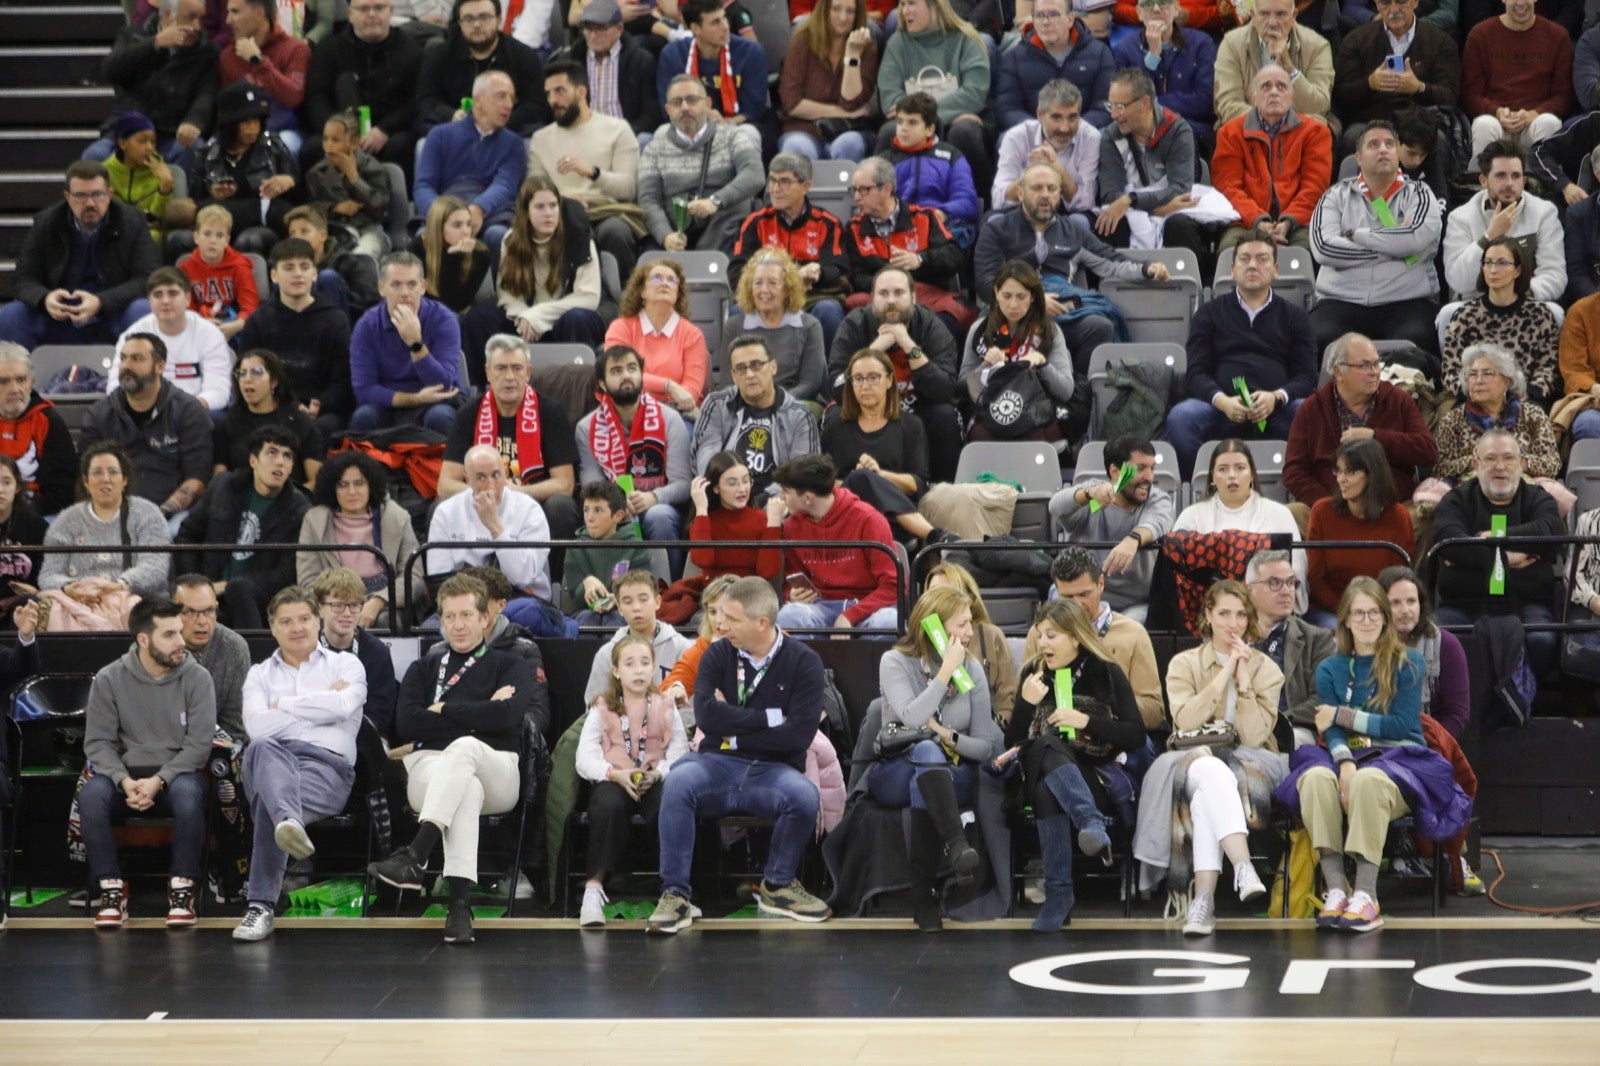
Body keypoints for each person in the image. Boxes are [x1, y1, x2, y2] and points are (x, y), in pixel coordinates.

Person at [646, 576, 832, 932]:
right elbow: (707, 716)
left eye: (731, 619)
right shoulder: (717, 653)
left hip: (774, 769)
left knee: (804, 796)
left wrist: (735, 731)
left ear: (761, 623)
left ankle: (778, 886)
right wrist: (769, 719)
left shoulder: (805, 662)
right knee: (679, 780)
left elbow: (799, 735)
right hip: (716, 763)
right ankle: (675, 895)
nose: (721, 624)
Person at [1280, 578, 1466, 933]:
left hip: (1400, 761)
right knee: (1316, 779)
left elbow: (1400, 725)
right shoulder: (1330, 669)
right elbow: (1328, 728)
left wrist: (1342, 715)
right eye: (1358, 613)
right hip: (1349, 759)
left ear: (1385, 617)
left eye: (1374, 612)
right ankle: (1336, 889)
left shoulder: (1408, 662)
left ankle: (1366, 895)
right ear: (1346, 620)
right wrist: (1344, 760)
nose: (1366, 620)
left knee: (1367, 780)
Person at [370, 572, 535, 945]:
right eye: (449, 617)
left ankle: (416, 852)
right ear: (440, 620)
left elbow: (508, 718)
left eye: (466, 615)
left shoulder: (511, 665)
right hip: (432, 767)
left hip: (498, 767)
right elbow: (408, 722)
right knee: (465, 786)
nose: (458, 625)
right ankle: (459, 908)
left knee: (465, 750)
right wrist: (480, 713)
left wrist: (443, 709)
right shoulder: (423, 668)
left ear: (484, 618)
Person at [1144, 579, 1284, 936]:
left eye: (1240, 615)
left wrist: (1245, 681)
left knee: (1208, 782)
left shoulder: (1267, 670)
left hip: (1250, 761)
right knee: (1206, 765)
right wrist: (1224, 674)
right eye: (1224, 613)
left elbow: (1254, 737)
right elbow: (1185, 722)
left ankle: (1203, 902)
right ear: (1208, 615)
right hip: (1188, 757)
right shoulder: (1183, 664)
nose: (1232, 623)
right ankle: (1242, 866)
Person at [232, 586, 366, 941]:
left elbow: (342, 707)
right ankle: (288, 821)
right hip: (268, 757)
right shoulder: (259, 674)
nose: (297, 628)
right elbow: (257, 726)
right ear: (272, 628)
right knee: (263, 746)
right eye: (286, 621)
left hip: (326, 769)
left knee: (269, 804)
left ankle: (259, 907)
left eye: (304, 619)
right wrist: (319, 705)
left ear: (318, 620)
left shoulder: (346, 664)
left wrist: (282, 705)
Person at [78, 598, 216, 929]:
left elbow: (198, 747)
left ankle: (182, 887)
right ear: (143, 639)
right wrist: (124, 780)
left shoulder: (198, 678)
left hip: (177, 773)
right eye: (169, 634)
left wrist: (159, 780)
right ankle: (111, 888)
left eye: (180, 633)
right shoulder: (109, 678)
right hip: (124, 775)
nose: (182, 642)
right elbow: (98, 743)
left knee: (187, 794)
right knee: (91, 795)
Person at [1008, 597, 1144, 930]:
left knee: (1046, 790)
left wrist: (1087, 721)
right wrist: (1026, 705)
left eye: (1051, 635)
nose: (1042, 643)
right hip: (1042, 770)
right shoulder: (1032, 675)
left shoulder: (1105, 671)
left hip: (1095, 779)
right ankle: (1090, 823)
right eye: (1040, 635)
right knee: (1047, 745)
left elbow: (1136, 734)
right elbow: (1012, 744)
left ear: (1075, 637)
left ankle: (1059, 894)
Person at [871, 585, 1001, 931]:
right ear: (934, 626)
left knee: (928, 765)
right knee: (925, 753)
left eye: (971, 624)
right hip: (894, 769)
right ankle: (956, 845)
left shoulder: (972, 670)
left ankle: (923, 894)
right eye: (961, 624)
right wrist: (944, 674)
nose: (970, 633)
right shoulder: (895, 661)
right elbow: (912, 719)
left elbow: (985, 746)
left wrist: (948, 736)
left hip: (951, 773)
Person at [973, 162, 1172, 382]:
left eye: (1052, 189)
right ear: (1020, 193)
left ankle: (1076, 391)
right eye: (1037, 188)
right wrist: (1033, 302)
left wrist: (1147, 268)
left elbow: (1110, 260)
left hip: (1063, 314)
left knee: (1101, 326)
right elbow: (985, 282)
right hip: (1012, 316)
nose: (1045, 195)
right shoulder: (997, 229)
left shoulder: (1073, 231)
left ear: (1060, 194)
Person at [1168, 230, 1318, 480]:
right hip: (1220, 408)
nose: (1252, 265)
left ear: (1276, 269)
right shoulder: (1208, 313)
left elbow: (1307, 376)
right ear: (1232, 269)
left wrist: (1276, 397)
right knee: (1181, 418)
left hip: (1277, 410)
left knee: (1309, 412)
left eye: (1262, 259)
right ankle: (1202, 488)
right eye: (1245, 259)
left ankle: (1298, 487)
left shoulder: (1295, 317)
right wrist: (1222, 401)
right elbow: (1196, 373)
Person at [576, 633, 691, 927]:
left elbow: (679, 750)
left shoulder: (665, 704)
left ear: (654, 668)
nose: (638, 670)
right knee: (607, 807)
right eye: (630, 664)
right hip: (615, 777)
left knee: (671, 805)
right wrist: (613, 773)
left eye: (644, 663)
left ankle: (675, 891)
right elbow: (584, 757)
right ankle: (593, 890)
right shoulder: (602, 706)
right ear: (616, 671)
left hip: (654, 777)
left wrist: (658, 773)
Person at [1432, 429, 1564, 680]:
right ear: (1475, 464)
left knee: (1543, 639)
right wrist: (1508, 558)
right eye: (1490, 459)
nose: (1500, 466)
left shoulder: (1539, 498)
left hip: (1526, 603)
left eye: (1508, 458)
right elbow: (1448, 541)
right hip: (1464, 602)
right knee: (1439, 638)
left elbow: (1551, 530)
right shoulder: (1456, 499)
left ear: (1522, 463)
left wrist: (1483, 543)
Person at [1309, 121, 1443, 359]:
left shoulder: (1421, 194)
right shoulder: (1334, 196)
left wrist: (1356, 235)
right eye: (1374, 144)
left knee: (1418, 340)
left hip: (1406, 301)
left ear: (1397, 154)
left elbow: (1415, 238)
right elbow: (1324, 248)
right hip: (1341, 300)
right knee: (1316, 338)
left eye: (1389, 144)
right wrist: (1397, 251)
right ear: (1358, 158)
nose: (1383, 149)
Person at [440, 334, 581, 545]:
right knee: (437, 508)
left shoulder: (551, 412)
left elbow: (565, 484)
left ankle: (556, 578)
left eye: (517, 368)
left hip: (533, 505)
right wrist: (488, 491)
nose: (509, 377)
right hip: (480, 503)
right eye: (501, 368)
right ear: (488, 372)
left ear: (528, 373)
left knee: (561, 507)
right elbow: (445, 485)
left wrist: (518, 492)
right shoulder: (468, 414)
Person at [0, 161, 158, 349]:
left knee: (142, 310)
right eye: (81, 196)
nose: (90, 203)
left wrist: (101, 302)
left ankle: (139, 378)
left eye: (97, 194)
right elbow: (24, 278)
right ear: (68, 196)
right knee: (12, 315)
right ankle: (15, 377)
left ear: (109, 194)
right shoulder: (46, 222)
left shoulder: (132, 221)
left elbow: (147, 279)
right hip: (58, 316)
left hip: (111, 314)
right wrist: (44, 299)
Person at [829, 266, 964, 482]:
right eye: (883, 293)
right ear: (872, 298)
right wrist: (874, 351)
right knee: (834, 415)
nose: (891, 300)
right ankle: (841, 494)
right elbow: (837, 388)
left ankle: (940, 490)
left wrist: (908, 344)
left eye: (899, 293)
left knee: (945, 415)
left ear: (913, 297)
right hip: (866, 409)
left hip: (918, 408)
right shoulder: (855, 325)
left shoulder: (931, 327)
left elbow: (945, 389)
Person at [464, 177, 607, 380]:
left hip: (564, 320)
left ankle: (578, 387)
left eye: (553, 205)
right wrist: (526, 317)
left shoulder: (579, 239)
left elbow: (588, 298)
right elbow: (507, 295)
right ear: (526, 211)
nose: (548, 213)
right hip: (526, 322)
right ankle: (483, 390)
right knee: (478, 319)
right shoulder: (511, 240)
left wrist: (539, 316)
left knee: (578, 317)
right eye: (540, 207)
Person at [174, 425, 311, 628]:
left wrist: (227, 586)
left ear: (292, 467)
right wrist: (198, 584)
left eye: (287, 456)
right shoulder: (223, 487)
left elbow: (286, 573)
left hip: (262, 603)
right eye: (272, 453)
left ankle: (252, 655)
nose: (280, 462)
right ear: (253, 460)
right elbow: (187, 535)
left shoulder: (299, 510)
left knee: (239, 588)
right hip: (210, 594)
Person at [1283, 332, 1436, 508]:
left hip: (1391, 510)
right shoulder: (1311, 409)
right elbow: (1294, 472)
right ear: (1338, 372)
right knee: (1293, 512)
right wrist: (1329, 505)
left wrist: (1375, 437)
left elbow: (1428, 451)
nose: (1374, 372)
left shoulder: (1398, 400)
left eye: (1376, 364)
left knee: (1424, 519)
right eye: (1364, 366)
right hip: (1330, 509)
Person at [526, 57, 644, 281]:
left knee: (615, 232)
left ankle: (625, 303)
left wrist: (593, 172)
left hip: (606, 211)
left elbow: (628, 189)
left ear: (581, 92)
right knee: (569, 221)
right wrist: (563, 201)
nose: (553, 100)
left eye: (560, 91)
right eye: (549, 93)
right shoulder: (541, 139)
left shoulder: (617, 129)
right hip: (559, 213)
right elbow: (533, 190)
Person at [80, 333, 214, 525]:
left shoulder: (187, 410)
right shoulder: (99, 415)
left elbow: (198, 478)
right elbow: (87, 476)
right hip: (112, 512)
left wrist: (161, 513)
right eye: (123, 358)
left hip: (172, 513)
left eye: (137, 359)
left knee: (175, 532)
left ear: (159, 366)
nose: (127, 365)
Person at [37, 442, 172, 631]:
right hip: (77, 604)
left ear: (124, 479)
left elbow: (155, 567)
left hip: (132, 604)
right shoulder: (66, 520)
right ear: (85, 481)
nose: (105, 479)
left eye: (113, 472)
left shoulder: (147, 513)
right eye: (97, 473)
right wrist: (69, 587)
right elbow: (49, 574)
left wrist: (120, 585)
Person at [574, 344, 693, 552]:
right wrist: (617, 502)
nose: (626, 375)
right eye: (616, 371)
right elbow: (590, 487)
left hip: (658, 505)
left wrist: (653, 497)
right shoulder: (587, 428)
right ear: (602, 383)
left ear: (641, 375)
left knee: (660, 516)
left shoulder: (670, 419)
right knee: (603, 518)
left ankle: (669, 584)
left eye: (631, 368)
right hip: (611, 508)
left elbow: (683, 483)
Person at [823, 348, 947, 544]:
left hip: (894, 522)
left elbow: (918, 484)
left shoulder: (910, 425)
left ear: (890, 380)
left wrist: (880, 476)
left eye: (873, 377)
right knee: (861, 477)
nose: (865, 386)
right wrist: (860, 480)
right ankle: (935, 536)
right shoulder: (835, 427)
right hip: (846, 516)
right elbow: (825, 482)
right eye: (858, 378)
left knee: (866, 477)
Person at [427, 443, 558, 628]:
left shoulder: (529, 510)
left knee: (522, 618)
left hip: (519, 600)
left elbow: (522, 576)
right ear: (467, 479)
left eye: (496, 475)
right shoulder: (446, 513)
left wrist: (495, 527)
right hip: (462, 605)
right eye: (480, 477)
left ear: (505, 473)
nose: (490, 485)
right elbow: (439, 581)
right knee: (430, 628)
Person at [235, 237, 354, 437]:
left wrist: (320, 405)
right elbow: (246, 374)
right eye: (289, 267)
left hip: (321, 413)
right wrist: (281, 405)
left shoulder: (335, 320)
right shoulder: (258, 321)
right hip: (270, 407)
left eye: (304, 267)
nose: (298, 274)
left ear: (315, 273)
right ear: (274, 275)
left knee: (320, 430)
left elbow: (343, 379)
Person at [841, 159, 969, 341]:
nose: (857, 197)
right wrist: (889, 286)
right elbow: (856, 276)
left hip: (926, 297)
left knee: (946, 321)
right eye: (854, 190)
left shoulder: (924, 217)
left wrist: (920, 260)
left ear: (886, 189)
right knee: (853, 313)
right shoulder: (852, 229)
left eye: (864, 190)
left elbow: (954, 256)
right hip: (878, 301)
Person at [1093, 69, 1208, 271]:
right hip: (1145, 210)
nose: (1113, 115)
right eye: (1110, 106)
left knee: (1180, 225)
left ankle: (1187, 290)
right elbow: (1111, 194)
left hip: (1170, 210)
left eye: (1120, 106)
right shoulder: (1112, 135)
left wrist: (1132, 200)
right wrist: (1155, 208)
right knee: (1109, 223)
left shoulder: (1178, 130)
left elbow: (1180, 189)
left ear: (1144, 103)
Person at [1050, 434, 1172, 624]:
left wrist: (1132, 540)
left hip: (1135, 603)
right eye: (1140, 468)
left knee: (1121, 630)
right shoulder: (1094, 500)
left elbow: (1156, 522)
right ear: (1115, 472)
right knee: (1057, 596)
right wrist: (1087, 494)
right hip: (1083, 594)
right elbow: (1056, 507)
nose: (1149, 477)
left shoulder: (1156, 499)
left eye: (1152, 468)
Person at [1211, 63, 1333, 254]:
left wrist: (1288, 221)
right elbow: (1228, 187)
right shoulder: (1230, 133)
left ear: (1292, 96)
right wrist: (1259, 221)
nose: (1274, 92)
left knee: (1309, 251)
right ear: (1254, 97)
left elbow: (1315, 187)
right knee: (1230, 251)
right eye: (1266, 86)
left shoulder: (1316, 133)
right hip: (1245, 221)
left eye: (1282, 86)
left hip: (1298, 221)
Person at [875, 0, 993, 195]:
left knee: (964, 132)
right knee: (890, 132)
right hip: (938, 118)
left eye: (911, 4)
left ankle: (980, 205)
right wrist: (925, 121)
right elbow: (890, 99)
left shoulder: (966, 40)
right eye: (902, 4)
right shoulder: (897, 43)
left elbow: (974, 93)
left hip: (962, 122)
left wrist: (922, 118)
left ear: (935, 6)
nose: (905, 11)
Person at [772, 453, 899, 633]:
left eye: (786, 490)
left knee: (889, 622)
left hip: (867, 606)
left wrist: (850, 615)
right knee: (788, 616)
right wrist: (791, 594)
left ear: (807, 498)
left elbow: (894, 586)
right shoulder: (792, 525)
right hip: (821, 605)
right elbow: (791, 578)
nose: (781, 496)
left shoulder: (869, 520)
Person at [636, 74, 764, 253]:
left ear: (708, 104)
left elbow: (755, 174)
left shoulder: (732, 136)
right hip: (676, 233)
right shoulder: (653, 149)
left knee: (739, 204)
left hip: (723, 227)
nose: (685, 107)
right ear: (667, 110)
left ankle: (710, 263)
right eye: (677, 102)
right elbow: (648, 200)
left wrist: (716, 201)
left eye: (692, 100)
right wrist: (665, 236)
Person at [729, 161, 850, 348]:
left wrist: (819, 272)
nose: (775, 189)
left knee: (829, 310)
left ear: (805, 186)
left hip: (811, 297)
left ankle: (830, 374)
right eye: (772, 181)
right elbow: (736, 272)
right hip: (764, 296)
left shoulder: (827, 223)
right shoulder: (754, 222)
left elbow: (838, 267)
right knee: (738, 311)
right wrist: (790, 277)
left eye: (784, 182)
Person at [1174, 439, 1307, 603]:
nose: (1231, 475)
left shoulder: (1280, 514)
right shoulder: (1190, 517)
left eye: (1240, 468)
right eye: (1223, 469)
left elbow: (1297, 572)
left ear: (1251, 474)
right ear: (1213, 477)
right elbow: (1177, 577)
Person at [414, 71, 528, 259]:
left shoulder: (513, 143)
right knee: (422, 239)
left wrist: (478, 208)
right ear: (478, 100)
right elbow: (423, 185)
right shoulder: (440, 135)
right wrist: (441, 214)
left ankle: (500, 289)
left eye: (512, 98)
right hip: (444, 209)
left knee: (499, 236)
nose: (508, 104)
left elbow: (505, 185)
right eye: (501, 96)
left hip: (492, 214)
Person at [690, 335, 822, 498]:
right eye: (741, 368)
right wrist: (728, 495)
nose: (750, 374)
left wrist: (761, 503)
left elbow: (801, 475)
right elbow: (706, 459)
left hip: (775, 504)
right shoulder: (716, 405)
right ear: (733, 376)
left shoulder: (800, 416)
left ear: (773, 367)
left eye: (756, 365)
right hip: (725, 501)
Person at [958, 260, 1074, 444]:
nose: (1013, 305)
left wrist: (1043, 364)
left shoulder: (1049, 331)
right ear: (996, 293)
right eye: (1007, 295)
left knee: (1041, 434)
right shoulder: (979, 330)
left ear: (1033, 296)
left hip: (1035, 409)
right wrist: (985, 365)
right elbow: (962, 387)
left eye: (1021, 297)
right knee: (980, 435)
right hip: (992, 410)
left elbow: (1066, 391)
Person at [90, 0, 217, 168]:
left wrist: (193, 121)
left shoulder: (206, 50)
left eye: (200, 19)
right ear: (167, 15)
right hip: (128, 130)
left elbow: (206, 94)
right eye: (191, 17)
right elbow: (111, 70)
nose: (197, 26)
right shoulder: (133, 35)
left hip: (171, 132)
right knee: (95, 155)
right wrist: (154, 43)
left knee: (193, 149)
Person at [298, 451, 420, 627]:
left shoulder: (397, 517)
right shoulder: (314, 520)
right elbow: (308, 581)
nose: (352, 491)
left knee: (387, 621)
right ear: (332, 488)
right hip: (332, 602)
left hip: (384, 600)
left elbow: (414, 578)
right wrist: (341, 607)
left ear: (370, 485)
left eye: (359, 483)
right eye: (343, 485)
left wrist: (379, 601)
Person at [1049, 546, 1164, 731]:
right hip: (1060, 737)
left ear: (1101, 584)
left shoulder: (1132, 633)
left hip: (1119, 736)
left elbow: (1155, 712)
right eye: (1067, 597)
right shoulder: (1042, 635)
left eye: (1084, 594)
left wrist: (1098, 712)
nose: (1077, 604)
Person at [348, 251, 464, 435]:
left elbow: (443, 383)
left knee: (441, 417)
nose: (405, 293)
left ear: (423, 287)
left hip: (436, 404)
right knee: (364, 417)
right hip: (389, 405)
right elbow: (364, 390)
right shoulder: (367, 325)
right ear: (381, 288)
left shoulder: (443, 319)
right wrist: (416, 399)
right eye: (396, 285)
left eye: (412, 284)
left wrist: (416, 344)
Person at [659, 453, 782, 625]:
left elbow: (767, 571)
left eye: (746, 481)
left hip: (750, 596)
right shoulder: (706, 520)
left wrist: (774, 525)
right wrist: (701, 509)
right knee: (698, 623)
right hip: (715, 595)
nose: (742, 489)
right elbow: (703, 560)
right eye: (732, 483)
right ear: (716, 488)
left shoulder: (763, 519)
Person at [301, 0, 424, 170]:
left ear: (391, 11)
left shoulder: (412, 51)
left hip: (389, 132)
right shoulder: (328, 50)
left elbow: (416, 100)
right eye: (364, 9)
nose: (372, 14)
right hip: (340, 129)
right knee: (312, 148)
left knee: (402, 146)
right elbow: (316, 98)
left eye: (379, 8)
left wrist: (385, 130)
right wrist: (338, 133)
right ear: (350, 14)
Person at [1306, 439, 1415, 627]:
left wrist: (1374, 613)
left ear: (1372, 474)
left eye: (1350, 472)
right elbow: (1316, 580)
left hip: (1383, 610)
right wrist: (1352, 612)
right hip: (1333, 609)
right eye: (1338, 471)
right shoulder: (1322, 512)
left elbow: (1401, 578)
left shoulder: (1398, 516)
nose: (1341, 479)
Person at [1441, 239, 1562, 407]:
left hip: (1525, 401)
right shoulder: (1465, 316)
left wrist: (1520, 396)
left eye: (1502, 263)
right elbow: (1451, 371)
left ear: (1518, 270)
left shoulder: (1539, 315)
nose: (1493, 270)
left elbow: (1548, 370)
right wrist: (1479, 394)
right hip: (1475, 400)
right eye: (1488, 263)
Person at [1441, 142, 1564, 306]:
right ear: (1483, 181)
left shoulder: (1544, 213)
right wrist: (1489, 235)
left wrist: (1512, 295)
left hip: (1526, 302)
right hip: (1476, 305)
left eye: (1516, 176)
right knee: (1446, 315)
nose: (1509, 184)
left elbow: (1555, 275)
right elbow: (1457, 280)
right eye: (1500, 176)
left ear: (1524, 180)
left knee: (1555, 312)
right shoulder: (1460, 218)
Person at [415, 0, 549, 140]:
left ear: (498, 20)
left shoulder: (523, 55)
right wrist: (452, 115)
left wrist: (496, 120)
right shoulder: (439, 54)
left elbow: (536, 106)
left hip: (508, 133)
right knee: (424, 144)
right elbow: (426, 100)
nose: (477, 24)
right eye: (468, 19)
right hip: (454, 132)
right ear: (460, 23)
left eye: (484, 17)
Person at [187, 83, 299, 249]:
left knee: (251, 239)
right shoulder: (207, 154)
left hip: (264, 226)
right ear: (230, 125)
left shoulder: (273, 146)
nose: (253, 128)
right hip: (217, 227)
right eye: (245, 122)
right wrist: (214, 194)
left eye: (256, 120)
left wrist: (288, 181)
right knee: (180, 237)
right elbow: (197, 203)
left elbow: (296, 201)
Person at [1461, 0, 1573, 163]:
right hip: (1497, 120)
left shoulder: (1557, 36)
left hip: (1535, 121)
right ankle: (1478, 184)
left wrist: (1534, 114)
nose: (1520, 2)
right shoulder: (1480, 34)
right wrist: (1497, 111)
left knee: (1550, 122)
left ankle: (1546, 185)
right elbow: (1470, 95)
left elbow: (1563, 97)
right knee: (1483, 124)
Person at [1332, 0, 1461, 141]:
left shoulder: (1441, 42)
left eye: (1401, 1)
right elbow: (1341, 97)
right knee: (1353, 137)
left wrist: (1419, 88)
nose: (1393, 9)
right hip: (1369, 123)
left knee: (1438, 140)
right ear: (1377, 5)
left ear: (1415, 2)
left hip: (1423, 123)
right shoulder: (1356, 40)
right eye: (1385, 3)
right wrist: (1369, 84)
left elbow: (1450, 97)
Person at [1432, 344, 1560, 484]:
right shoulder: (1453, 419)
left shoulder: (1533, 415)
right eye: (1473, 374)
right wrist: (1472, 463)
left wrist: (1520, 463)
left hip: (1525, 491)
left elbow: (1553, 463)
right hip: (1470, 492)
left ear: (1507, 381)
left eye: (1487, 374)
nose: (1479, 380)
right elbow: (1439, 468)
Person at [658, 0, 774, 155]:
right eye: (715, 22)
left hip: (737, 124)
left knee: (748, 134)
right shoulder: (673, 55)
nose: (725, 26)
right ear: (695, 28)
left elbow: (753, 109)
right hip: (689, 125)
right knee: (661, 133)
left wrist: (725, 123)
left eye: (724, 18)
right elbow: (669, 107)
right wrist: (702, 120)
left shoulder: (750, 52)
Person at [719, 248, 829, 405]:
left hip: (794, 403)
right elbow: (727, 384)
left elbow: (810, 385)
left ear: (787, 289)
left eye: (772, 283)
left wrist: (773, 404)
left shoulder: (809, 325)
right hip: (746, 404)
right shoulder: (734, 325)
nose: (764, 290)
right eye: (758, 283)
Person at [1248, 548, 1334, 746]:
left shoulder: (1318, 639)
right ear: (1249, 589)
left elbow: (1322, 698)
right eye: (1275, 583)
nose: (1286, 591)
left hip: (1294, 730)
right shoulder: (1231, 637)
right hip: (1239, 729)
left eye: (1290, 583)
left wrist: (1276, 724)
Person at [602, 259, 708, 418]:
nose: (665, 283)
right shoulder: (620, 328)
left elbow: (689, 393)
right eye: (657, 278)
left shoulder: (693, 335)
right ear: (642, 291)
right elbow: (620, 374)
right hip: (628, 410)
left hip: (677, 413)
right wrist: (668, 386)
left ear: (677, 293)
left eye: (672, 280)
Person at [777, 0, 879, 162]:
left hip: (848, 129)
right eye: (836, 9)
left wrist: (853, 55)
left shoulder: (867, 50)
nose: (843, 17)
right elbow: (792, 104)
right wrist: (845, 113)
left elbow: (850, 102)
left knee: (848, 145)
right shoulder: (802, 42)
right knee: (796, 147)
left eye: (850, 11)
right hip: (804, 129)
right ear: (824, 10)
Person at [546, 0, 661, 141]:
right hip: (579, 135)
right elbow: (554, 110)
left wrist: (621, 134)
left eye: (600, 29)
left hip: (625, 136)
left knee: (645, 139)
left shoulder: (640, 60)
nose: (593, 36)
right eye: (588, 29)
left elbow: (650, 116)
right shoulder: (569, 62)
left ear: (619, 29)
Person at [1112, 0, 1216, 154]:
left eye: (1163, 2)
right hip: (1140, 128)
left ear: (1176, 10)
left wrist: (1155, 105)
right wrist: (1152, 56)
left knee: (1175, 135)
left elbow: (1205, 100)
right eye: (1148, 3)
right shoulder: (1124, 50)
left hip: (1191, 126)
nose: (1156, 9)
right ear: (1139, 13)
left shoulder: (1201, 44)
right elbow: (1126, 103)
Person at [1380, 565, 1470, 741]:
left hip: (1429, 746)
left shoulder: (1447, 645)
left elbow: (1457, 714)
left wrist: (1423, 745)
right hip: (1375, 743)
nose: (1405, 610)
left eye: (1411, 601)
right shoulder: (1366, 644)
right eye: (1395, 603)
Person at [997, 0, 1113, 136]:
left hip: (1083, 133)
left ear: (1070, 19)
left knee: (1104, 137)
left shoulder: (1099, 53)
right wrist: (1041, 130)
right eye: (1040, 16)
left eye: (1053, 14)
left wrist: (1072, 128)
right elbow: (1007, 109)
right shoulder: (1015, 57)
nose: (1046, 22)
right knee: (1005, 140)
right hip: (1034, 134)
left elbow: (1105, 105)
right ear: (1033, 20)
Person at [1213, 0, 1333, 131]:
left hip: (1301, 135)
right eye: (1264, 14)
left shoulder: (1317, 46)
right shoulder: (1232, 44)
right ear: (1253, 16)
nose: (1272, 23)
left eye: (1281, 14)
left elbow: (1319, 107)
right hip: (1248, 132)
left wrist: (1290, 69)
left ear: (1294, 16)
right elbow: (1227, 106)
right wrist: (1284, 121)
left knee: (1322, 131)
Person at [880, 92, 980, 249]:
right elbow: (872, 201)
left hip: (940, 225)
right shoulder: (884, 161)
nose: (903, 129)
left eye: (912, 123)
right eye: (900, 122)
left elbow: (967, 202)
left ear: (929, 129)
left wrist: (942, 213)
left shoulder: (952, 157)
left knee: (960, 233)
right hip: (898, 226)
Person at [211, 349, 322, 485]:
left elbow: (316, 480)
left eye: (256, 372)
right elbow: (219, 478)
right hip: (240, 500)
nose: (247, 379)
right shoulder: (228, 423)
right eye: (241, 373)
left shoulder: (298, 420)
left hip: (291, 499)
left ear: (274, 381)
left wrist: (294, 501)